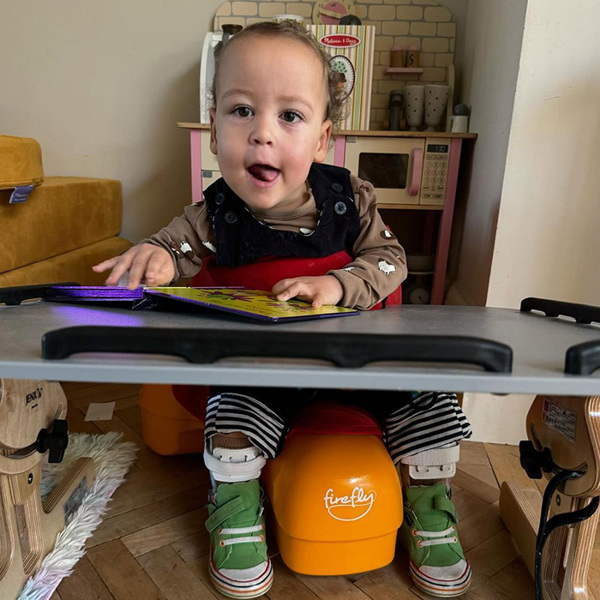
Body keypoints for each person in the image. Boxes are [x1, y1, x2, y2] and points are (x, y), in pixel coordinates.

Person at [93, 20, 472, 599]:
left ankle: (429, 504)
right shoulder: (211, 216)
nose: (262, 135)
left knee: (429, 394)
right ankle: (236, 505)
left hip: (356, 368)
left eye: (289, 116)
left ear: (321, 140)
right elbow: (175, 248)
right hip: (262, 372)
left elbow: (393, 260)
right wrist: (156, 256)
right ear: (214, 129)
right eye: (241, 111)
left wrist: (343, 284)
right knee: (231, 408)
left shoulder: (353, 199)